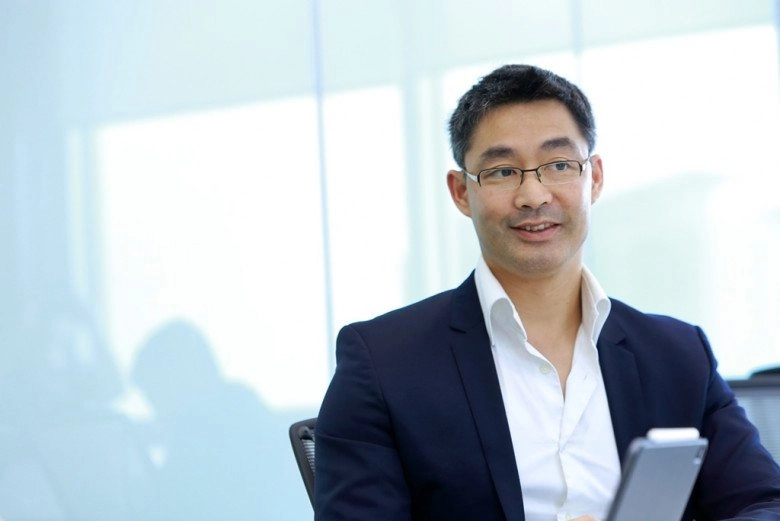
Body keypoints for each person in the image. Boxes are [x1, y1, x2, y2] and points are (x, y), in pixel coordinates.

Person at [314, 64, 780, 521]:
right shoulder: (384, 363)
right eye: (501, 171)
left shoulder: (677, 354)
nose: (534, 196)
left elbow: (763, 503)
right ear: (460, 192)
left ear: (594, 178)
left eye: (559, 165)